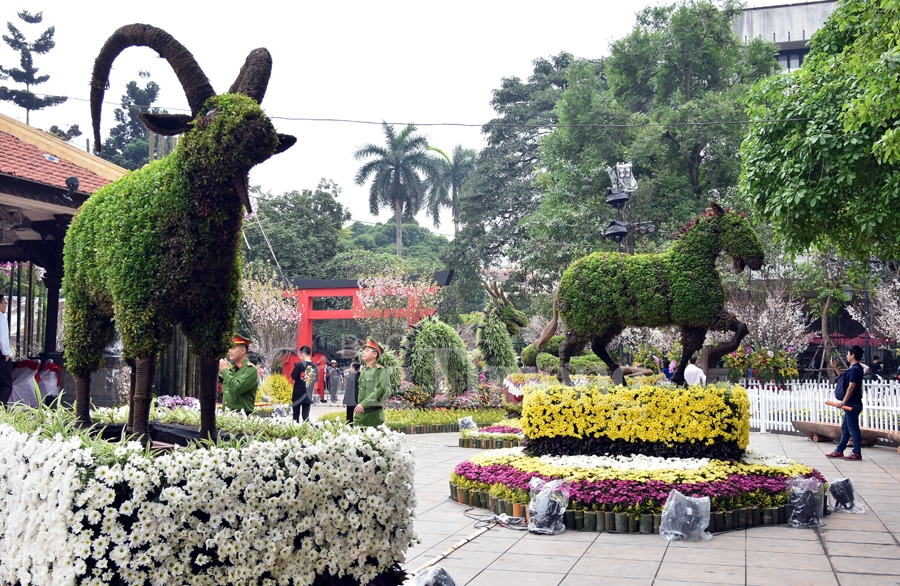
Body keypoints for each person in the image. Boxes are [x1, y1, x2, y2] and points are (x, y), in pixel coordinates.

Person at [826, 345, 865, 461]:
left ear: (853, 355)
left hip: (852, 404)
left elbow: (851, 387)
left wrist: (843, 402)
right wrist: (836, 368)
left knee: (853, 429)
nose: (847, 356)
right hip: (851, 403)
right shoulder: (854, 369)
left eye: (848, 354)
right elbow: (844, 379)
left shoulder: (855, 369)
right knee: (846, 428)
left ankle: (857, 453)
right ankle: (839, 450)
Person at [219, 334, 258, 414]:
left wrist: (225, 370)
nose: (230, 350)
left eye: (233, 347)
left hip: (242, 418)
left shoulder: (251, 370)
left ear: (243, 351)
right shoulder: (232, 369)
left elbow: (237, 387)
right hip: (227, 416)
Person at [353, 338, 388, 427]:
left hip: (374, 415)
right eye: (363, 350)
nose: (363, 352)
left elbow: (378, 391)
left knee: (374, 440)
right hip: (360, 414)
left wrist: (363, 404)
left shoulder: (380, 370)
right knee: (355, 439)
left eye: (367, 350)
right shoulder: (364, 370)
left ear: (375, 354)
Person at [291, 346, 318, 422]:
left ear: (303, 354)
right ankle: (305, 432)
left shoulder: (299, 365)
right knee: (305, 416)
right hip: (308, 394)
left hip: (298, 394)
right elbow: (313, 380)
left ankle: (295, 431)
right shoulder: (314, 366)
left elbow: (293, 376)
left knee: (295, 415)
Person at [0, 295, 11, 406]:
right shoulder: (1, 317)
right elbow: (3, 337)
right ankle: (1, 410)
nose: (5, 306)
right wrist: (6, 353)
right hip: (1, 355)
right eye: (4, 303)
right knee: (6, 385)